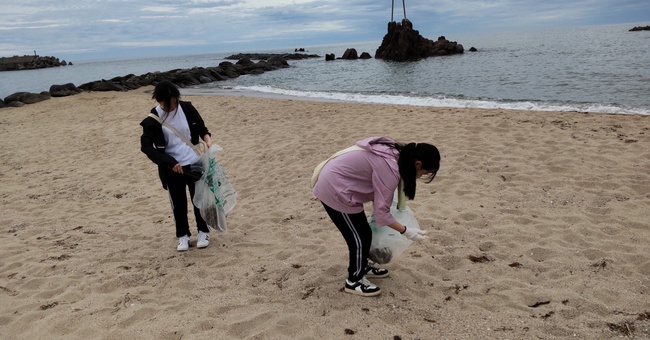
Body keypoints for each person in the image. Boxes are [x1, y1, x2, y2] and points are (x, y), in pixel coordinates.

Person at [312, 136, 440, 297]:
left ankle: (362, 266)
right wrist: (407, 231)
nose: (420, 176)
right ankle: (354, 281)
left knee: (364, 233)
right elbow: (382, 215)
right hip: (335, 189)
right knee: (358, 238)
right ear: (418, 164)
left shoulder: (398, 153)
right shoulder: (391, 169)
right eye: (423, 173)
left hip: (342, 182)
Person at [140, 80, 213, 252]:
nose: (172, 106)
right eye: (168, 103)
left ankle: (203, 231)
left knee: (199, 200)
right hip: (173, 167)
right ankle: (183, 236)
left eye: (174, 102)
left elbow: (202, 127)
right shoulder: (152, 120)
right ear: (159, 101)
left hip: (194, 162)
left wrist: (207, 139)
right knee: (178, 203)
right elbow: (146, 147)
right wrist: (170, 163)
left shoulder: (187, 108)